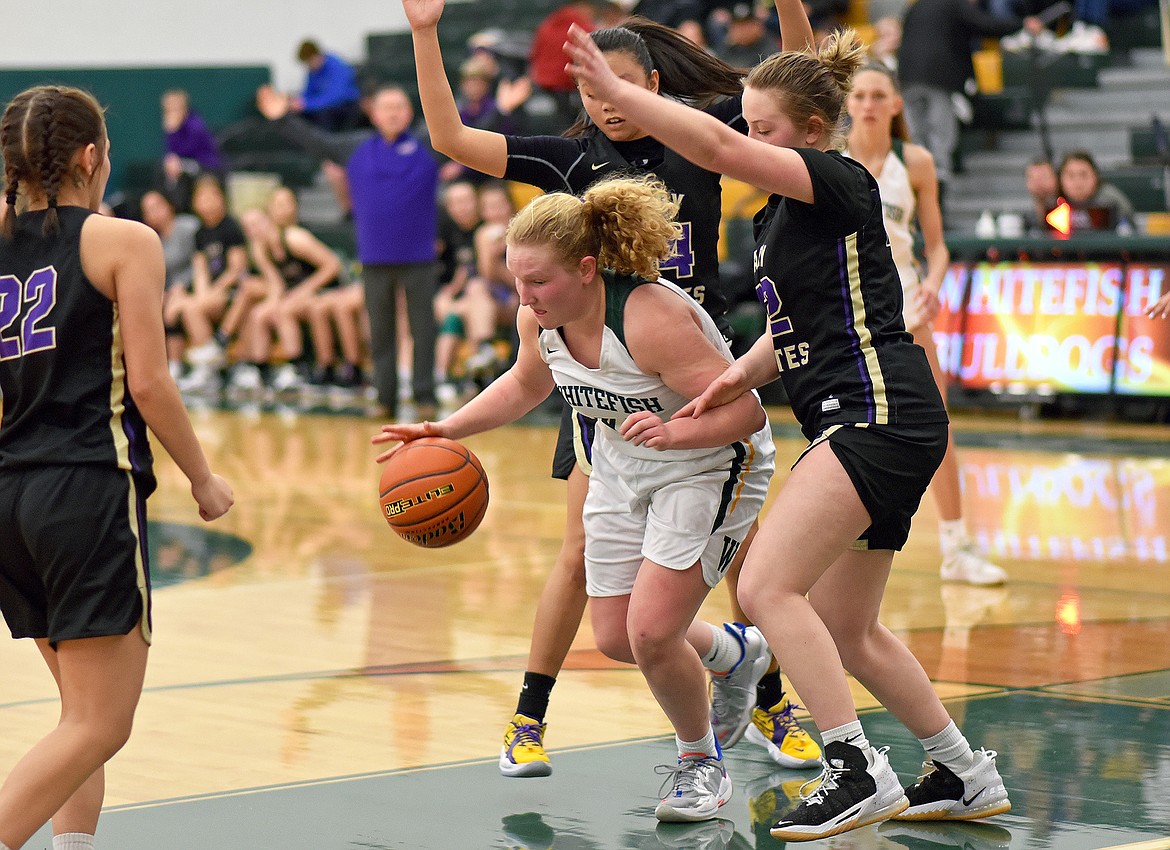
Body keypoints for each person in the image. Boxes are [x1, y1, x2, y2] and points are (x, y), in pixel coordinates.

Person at [566, 10, 1012, 840]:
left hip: (875, 411)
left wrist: (617, 88)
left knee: (765, 588)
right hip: (875, 416)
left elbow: (720, 149)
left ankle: (855, 767)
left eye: (766, 129)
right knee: (847, 626)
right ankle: (960, 767)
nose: (750, 139)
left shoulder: (837, 175)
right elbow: (796, 326)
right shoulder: (782, 217)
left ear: (808, 133)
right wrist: (734, 374)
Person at [403, 0, 822, 778]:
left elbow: (798, 82)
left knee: (741, 560)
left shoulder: (700, 136)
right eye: (593, 91)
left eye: (621, 88)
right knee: (582, 558)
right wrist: (425, 33)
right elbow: (450, 139)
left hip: (692, 371)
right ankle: (529, 715)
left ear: (654, 85)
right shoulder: (572, 163)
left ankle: (767, 695)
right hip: (593, 369)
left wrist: (789, 5)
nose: (605, 106)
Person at [373, 175, 777, 822]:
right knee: (616, 637)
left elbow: (748, 415)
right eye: (516, 281)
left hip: (705, 465)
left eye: (538, 282)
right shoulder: (540, 319)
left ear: (587, 270)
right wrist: (446, 428)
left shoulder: (650, 320)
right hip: (622, 466)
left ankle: (699, 763)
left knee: (650, 632)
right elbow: (524, 385)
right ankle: (736, 656)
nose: (524, 296)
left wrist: (675, 433)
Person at [0, 84, 233, 850]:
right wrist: (203, 477)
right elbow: (150, 383)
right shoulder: (122, 241)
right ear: (92, 158)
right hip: (85, 488)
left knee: (79, 718)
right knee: (102, 723)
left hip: (12, 498)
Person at [845, 63, 1007, 586]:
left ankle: (957, 547)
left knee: (938, 428)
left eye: (878, 95)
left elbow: (936, 247)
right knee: (846, 429)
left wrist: (935, 283)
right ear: (847, 104)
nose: (868, 104)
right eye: (860, 95)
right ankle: (841, 541)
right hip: (849, 315)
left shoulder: (914, 162)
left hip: (908, 313)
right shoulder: (832, 161)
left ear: (896, 104)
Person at [256, 83, 440, 416]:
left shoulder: (428, 145)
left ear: (410, 113)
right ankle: (385, 399)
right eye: (387, 107)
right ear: (374, 113)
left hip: (420, 259)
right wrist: (282, 119)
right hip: (374, 260)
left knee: (423, 330)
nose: (393, 113)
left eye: (399, 107)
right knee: (380, 333)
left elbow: (467, 138)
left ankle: (425, 395)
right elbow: (317, 142)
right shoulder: (354, 147)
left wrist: (503, 112)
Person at [897, 0, 1042, 208]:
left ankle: (920, 204)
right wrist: (1022, 24)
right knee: (940, 141)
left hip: (908, 78)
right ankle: (936, 208)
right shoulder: (954, 5)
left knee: (917, 141)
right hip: (938, 78)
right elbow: (986, 25)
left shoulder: (916, 6)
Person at [175, 174, 249, 393]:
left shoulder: (231, 227)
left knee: (193, 307)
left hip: (232, 291)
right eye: (202, 197)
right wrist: (202, 295)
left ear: (221, 198)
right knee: (191, 308)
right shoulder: (200, 233)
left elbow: (236, 270)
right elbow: (200, 269)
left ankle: (211, 360)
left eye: (211, 196)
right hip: (213, 294)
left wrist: (213, 293)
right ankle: (210, 365)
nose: (206, 202)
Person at [140, 189, 200, 379]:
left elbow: (201, 260)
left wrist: (185, 286)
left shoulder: (188, 227)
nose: (154, 213)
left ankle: (182, 366)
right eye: (148, 210)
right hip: (171, 291)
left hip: (197, 286)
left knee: (172, 309)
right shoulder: (152, 239)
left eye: (157, 206)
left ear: (169, 206)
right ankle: (167, 367)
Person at [158, 89, 225, 214]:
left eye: (175, 109)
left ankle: (185, 209)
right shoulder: (173, 128)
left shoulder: (195, 125)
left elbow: (187, 150)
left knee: (176, 168)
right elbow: (170, 154)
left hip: (205, 166)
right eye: (168, 110)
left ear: (184, 109)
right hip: (186, 165)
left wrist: (172, 133)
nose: (171, 114)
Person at [1057, 149, 1136, 234]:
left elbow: (1127, 235)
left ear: (1095, 176)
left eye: (1083, 175)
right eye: (1071, 176)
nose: (1077, 182)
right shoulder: (1053, 201)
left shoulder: (1112, 201)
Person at [293, 39, 363, 132]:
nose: (309, 66)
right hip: (326, 106)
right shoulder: (313, 72)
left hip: (347, 106)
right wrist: (298, 103)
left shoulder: (336, 66)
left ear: (317, 55)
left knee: (323, 113)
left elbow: (336, 96)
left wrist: (307, 104)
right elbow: (308, 93)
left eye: (309, 61)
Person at [1024, 156, 1059, 235]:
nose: (1039, 183)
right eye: (1034, 178)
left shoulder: (1071, 213)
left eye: (1044, 177)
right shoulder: (1024, 219)